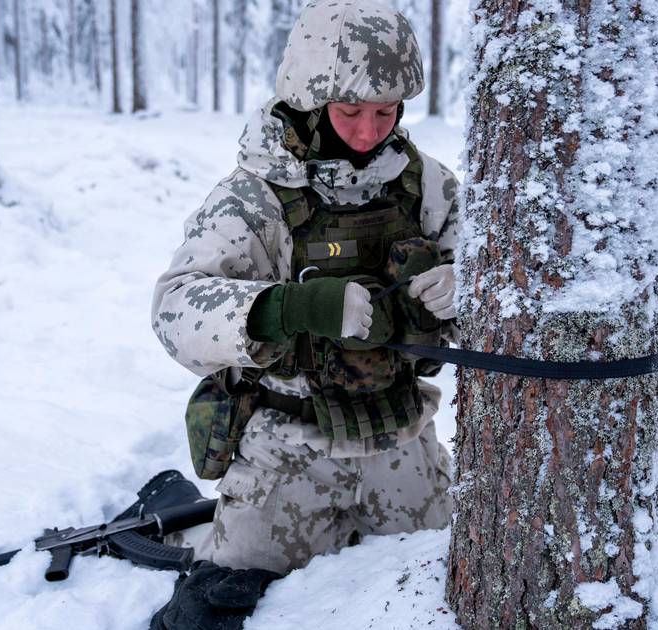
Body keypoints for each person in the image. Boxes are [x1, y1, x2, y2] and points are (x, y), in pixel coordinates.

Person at [149, 1, 460, 621]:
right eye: (349, 111)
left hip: (404, 444)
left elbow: (504, 293)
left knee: (451, 597)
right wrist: (290, 307)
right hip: (285, 450)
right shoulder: (254, 196)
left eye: (386, 112)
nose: (369, 132)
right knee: (212, 613)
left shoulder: (427, 186)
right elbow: (174, 310)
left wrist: (465, 289)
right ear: (310, 102)